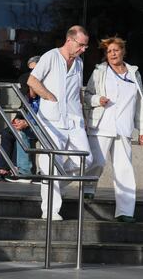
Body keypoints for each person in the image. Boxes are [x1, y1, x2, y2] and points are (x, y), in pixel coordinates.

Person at [27, 25, 93, 221]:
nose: (83, 49)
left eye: (85, 46)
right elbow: (32, 80)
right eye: (81, 45)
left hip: (74, 119)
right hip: (52, 119)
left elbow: (77, 91)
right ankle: (50, 210)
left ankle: (55, 184)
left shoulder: (79, 63)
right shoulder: (51, 56)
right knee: (51, 164)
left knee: (86, 160)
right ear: (69, 40)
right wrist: (49, 96)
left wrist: (84, 116)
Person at [84, 36, 143, 223]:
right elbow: (86, 96)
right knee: (96, 160)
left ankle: (125, 211)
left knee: (125, 170)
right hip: (101, 124)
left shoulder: (134, 73)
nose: (112, 54)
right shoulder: (100, 71)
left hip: (124, 128)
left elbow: (139, 102)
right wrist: (98, 100)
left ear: (123, 51)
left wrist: (142, 130)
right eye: (109, 51)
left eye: (115, 50)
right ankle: (88, 188)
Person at [0, 56, 40, 183]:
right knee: (9, 131)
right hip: (27, 119)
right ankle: (5, 167)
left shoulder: (47, 87)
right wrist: (17, 120)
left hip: (39, 124)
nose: (33, 74)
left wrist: (26, 123)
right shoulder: (27, 81)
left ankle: (17, 168)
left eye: (35, 71)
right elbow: (25, 104)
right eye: (31, 71)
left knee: (19, 132)